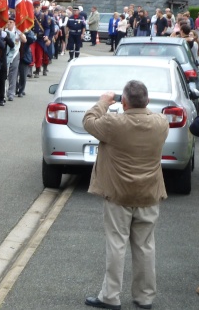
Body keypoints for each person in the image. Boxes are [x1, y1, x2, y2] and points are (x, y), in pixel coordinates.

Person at [82, 81, 168, 310]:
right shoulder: (161, 123)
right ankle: (145, 297)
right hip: (149, 193)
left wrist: (102, 102)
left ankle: (110, 296)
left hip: (118, 193)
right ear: (148, 101)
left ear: (124, 102)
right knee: (146, 246)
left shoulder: (113, 122)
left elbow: (88, 122)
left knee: (116, 245)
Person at [5, 18, 25, 102]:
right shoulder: (4, 31)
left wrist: (20, 34)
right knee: (3, 74)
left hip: (15, 54)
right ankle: (1, 92)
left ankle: (11, 93)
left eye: (11, 22)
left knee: (13, 74)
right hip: (5, 55)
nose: (9, 24)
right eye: (8, 22)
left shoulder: (17, 31)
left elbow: (25, 40)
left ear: (14, 23)